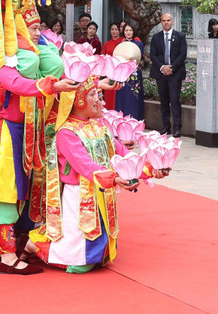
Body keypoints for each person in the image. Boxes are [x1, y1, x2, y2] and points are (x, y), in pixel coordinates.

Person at [25, 77, 158, 273]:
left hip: (102, 189)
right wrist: (114, 179)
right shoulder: (66, 133)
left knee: (96, 253)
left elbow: (123, 153)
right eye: (94, 95)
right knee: (79, 260)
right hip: (78, 194)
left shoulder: (99, 127)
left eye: (99, 94)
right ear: (78, 100)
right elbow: (85, 166)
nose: (100, 101)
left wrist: (151, 167)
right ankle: (32, 245)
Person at [149, 13, 187, 137]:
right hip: (161, 73)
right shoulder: (156, 37)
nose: (166, 22)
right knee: (163, 101)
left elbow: (183, 54)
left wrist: (172, 67)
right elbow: (153, 55)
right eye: (164, 20)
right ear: (161, 22)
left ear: (173, 21)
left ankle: (177, 127)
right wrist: (162, 67)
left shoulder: (180, 36)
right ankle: (166, 126)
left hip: (175, 73)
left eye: (168, 20)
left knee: (175, 100)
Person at [116, 24, 145, 120]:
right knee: (122, 97)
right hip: (122, 74)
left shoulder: (139, 44)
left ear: (133, 32)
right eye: (126, 30)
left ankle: (135, 118)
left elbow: (139, 58)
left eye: (130, 30)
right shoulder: (119, 44)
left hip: (134, 73)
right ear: (123, 32)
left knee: (134, 96)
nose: (128, 32)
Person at [101, 23, 124, 110]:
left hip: (120, 70)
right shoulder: (107, 44)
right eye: (112, 29)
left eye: (116, 29)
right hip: (110, 70)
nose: (114, 31)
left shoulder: (123, 41)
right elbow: (103, 56)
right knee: (109, 91)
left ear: (119, 31)